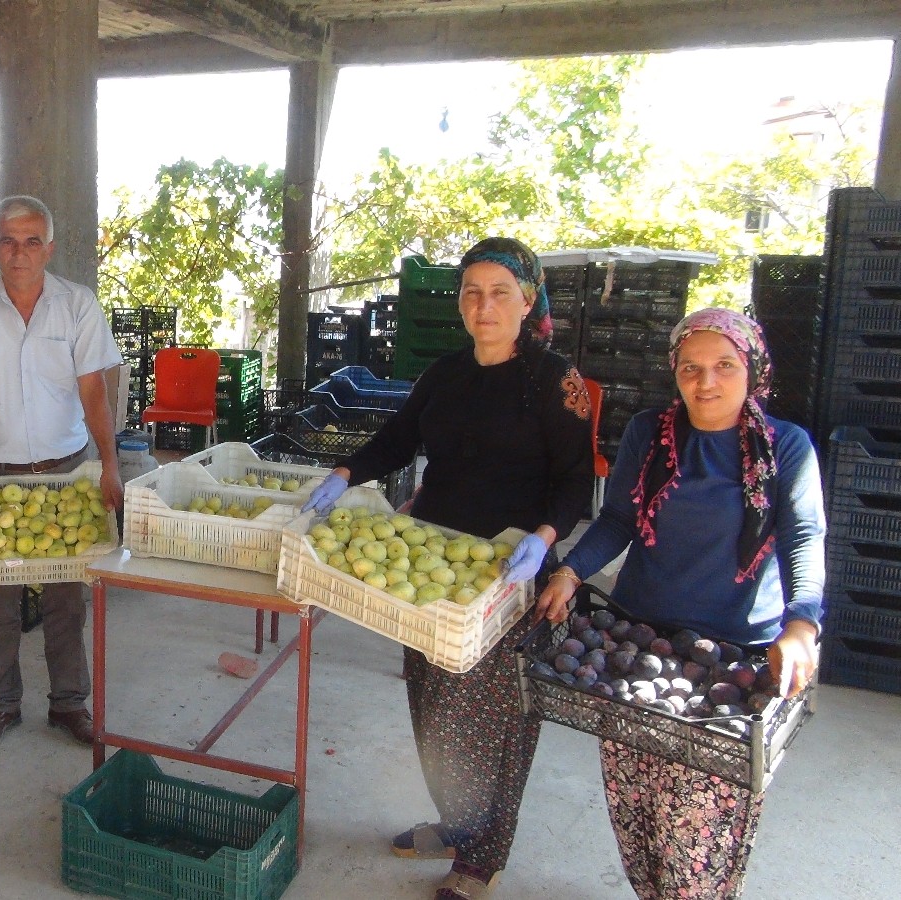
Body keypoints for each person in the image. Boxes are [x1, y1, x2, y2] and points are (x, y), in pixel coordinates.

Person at [302, 237, 594, 900]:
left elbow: (577, 479)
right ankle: (457, 822)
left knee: (495, 721)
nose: (483, 305)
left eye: (498, 292)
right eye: (470, 291)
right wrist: (345, 472)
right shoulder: (445, 375)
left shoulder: (555, 381)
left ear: (527, 299)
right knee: (433, 706)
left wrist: (545, 539)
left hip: (508, 576)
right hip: (433, 567)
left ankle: (481, 858)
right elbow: (399, 440)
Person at [535, 308, 824, 900]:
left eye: (724, 366)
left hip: (732, 658)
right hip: (635, 643)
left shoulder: (785, 447)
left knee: (700, 833)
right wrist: (570, 571)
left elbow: (802, 536)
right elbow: (617, 517)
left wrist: (802, 623)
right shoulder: (650, 431)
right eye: (691, 368)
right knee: (636, 805)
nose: (706, 382)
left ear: (753, 370)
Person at [0, 195, 124, 753]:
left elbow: (94, 389)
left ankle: (69, 704)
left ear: (50, 248)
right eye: (8, 240)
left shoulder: (77, 305)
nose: (19, 252)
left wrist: (109, 465)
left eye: (31, 240)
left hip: (65, 474)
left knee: (68, 599)